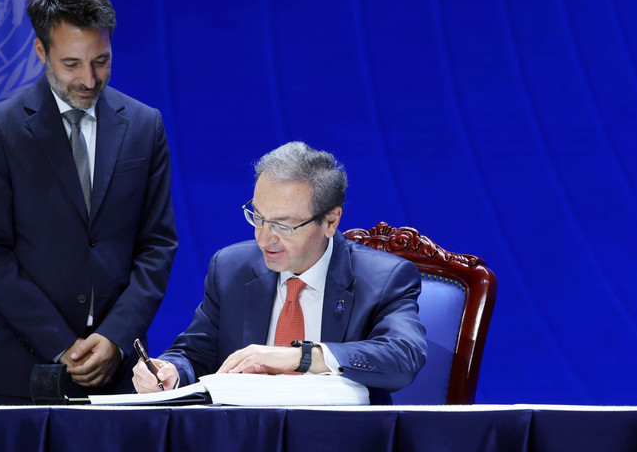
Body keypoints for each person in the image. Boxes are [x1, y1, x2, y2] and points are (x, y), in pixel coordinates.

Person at [0, 0, 177, 404]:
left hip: (120, 375)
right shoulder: (0, 129)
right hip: (19, 374)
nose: (89, 79)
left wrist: (114, 338)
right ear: (41, 52)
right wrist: (63, 346)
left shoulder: (144, 125)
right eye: (72, 64)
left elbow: (157, 245)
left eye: (101, 61)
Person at [132, 142, 425, 404]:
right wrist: (170, 372)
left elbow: (403, 356)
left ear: (330, 222)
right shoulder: (231, 268)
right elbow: (194, 354)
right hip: (246, 438)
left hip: (342, 442)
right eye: (258, 218)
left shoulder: (383, 278)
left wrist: (302, 356)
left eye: (283, 226)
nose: (264, 238)